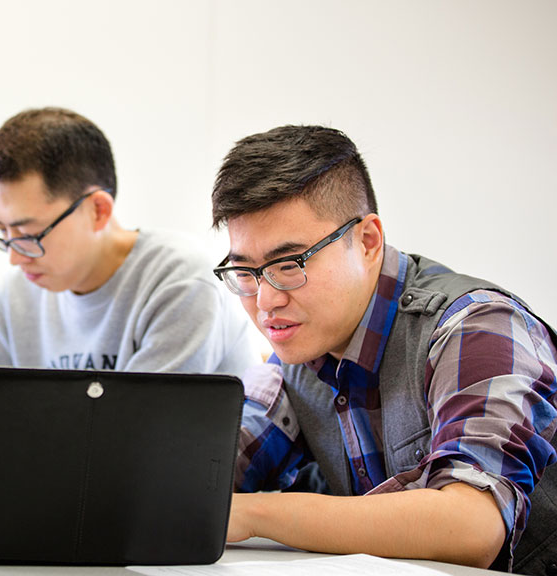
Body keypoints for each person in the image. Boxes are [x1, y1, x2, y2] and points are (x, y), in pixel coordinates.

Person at [210, 125, 557, 573]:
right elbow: (210, 466)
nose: (265, 300)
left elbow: (471, 526)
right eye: (245, 271)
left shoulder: (478, 327)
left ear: (368, 241)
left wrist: (251, 514)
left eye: (288, 265)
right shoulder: (297, 355)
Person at [0, 107, 260, 375]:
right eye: (3, 232)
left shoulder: (181, 280)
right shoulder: (18, 292)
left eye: (31, 234)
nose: (15, 258)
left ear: (98, 210)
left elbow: (139, 428)